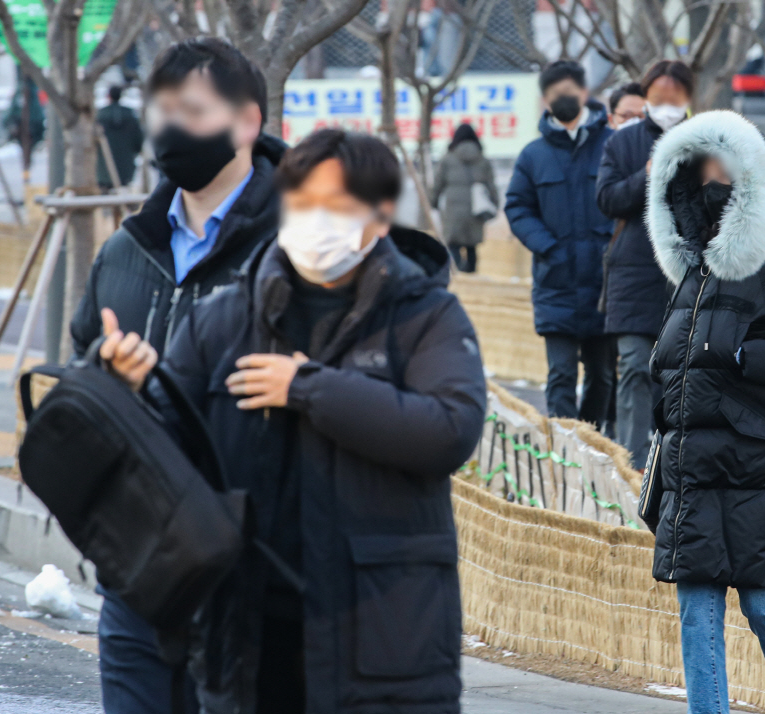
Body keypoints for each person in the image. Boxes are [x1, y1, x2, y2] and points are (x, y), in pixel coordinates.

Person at [97, 128, 487, 714]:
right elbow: (169, 453)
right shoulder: (223, 318)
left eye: (335, 206)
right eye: (302, 203)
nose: (315, 221)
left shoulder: (425, 313)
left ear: (379, 217)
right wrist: (128, 391)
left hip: (382, 641)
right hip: (249, 638)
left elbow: (449, 428)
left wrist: (309, 387)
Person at [68, 37, 284, 714]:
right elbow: (78, 387)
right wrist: (106, 385)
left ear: (247, 122)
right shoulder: (126, 250)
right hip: (138, 568)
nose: (168, 128)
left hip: (258, 576)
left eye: (189, 109)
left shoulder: (308, 247)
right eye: (161, 111)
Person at [646, 110, 765, 714]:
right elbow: (673, 364)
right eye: (699, 171)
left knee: (764, 605)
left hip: (759, 463)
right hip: (694, 466)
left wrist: (738, 353)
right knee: (696, 602)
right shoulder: (691, 271)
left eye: (724, 169)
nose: (711, 183)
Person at [505, 61, 614, 426]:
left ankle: (596, 442)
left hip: (606, 283)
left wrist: (613, 249)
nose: (563, 99)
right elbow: (517, 207)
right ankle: (568, 449)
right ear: (545, 101)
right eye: (554, 95)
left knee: (603, 375)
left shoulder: (612, 145)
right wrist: (548, 246)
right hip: (556, 282)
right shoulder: (533, 155)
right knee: (562, 373)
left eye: (569, 92)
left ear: (584, 94)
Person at [597, 59, 694, 468]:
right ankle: (633, 466)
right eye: (660, 97)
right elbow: (607, 200)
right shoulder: (623, 142)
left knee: (682, 375)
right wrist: (647, 175)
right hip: (634, 273)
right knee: (635, 365)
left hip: (689, 272)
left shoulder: (705, 138)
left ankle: (676, 462)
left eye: (675, 97)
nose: (667, 106)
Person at [431, 122, 497, 273]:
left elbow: (437, 184)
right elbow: (491, 186)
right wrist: (494, 205)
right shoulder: (483, 160)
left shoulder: (447, 160)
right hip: (476, 210)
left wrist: (432, 202)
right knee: (471, 245)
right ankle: (472, 274)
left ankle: (458, 275)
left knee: (453, 243)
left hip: (453, 210)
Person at [96, 85, 145, 190]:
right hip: (126, 162)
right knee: (124, 188)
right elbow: (138, 138)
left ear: (108, 96)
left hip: (104, 164)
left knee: (106, 189)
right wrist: (137, 149)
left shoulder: (100, 114)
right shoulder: (130, 114)